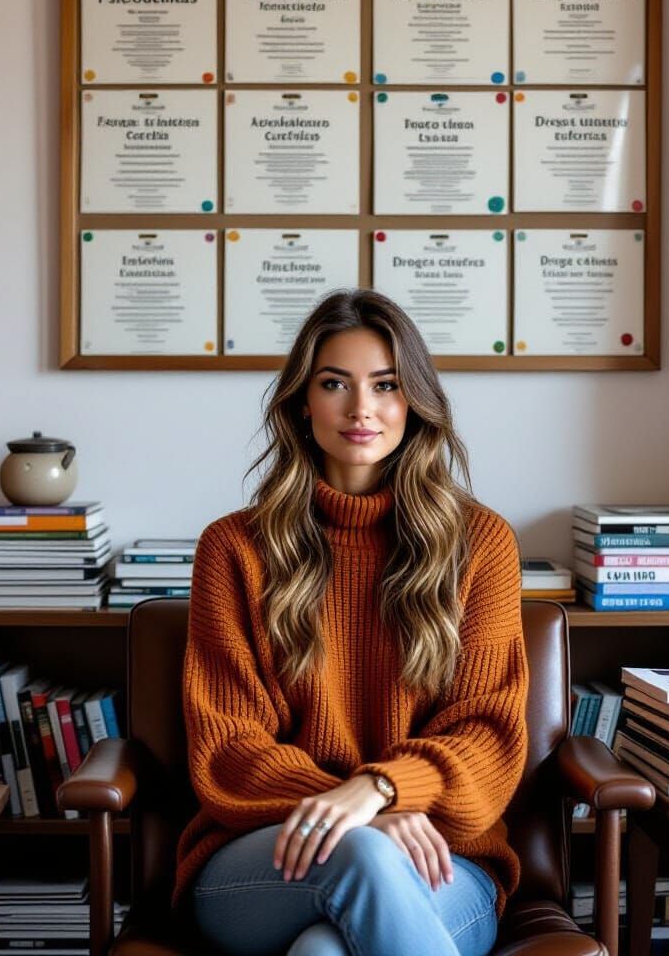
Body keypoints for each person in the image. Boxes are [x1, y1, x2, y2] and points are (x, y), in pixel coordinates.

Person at [174, 290, 529, 956]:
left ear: (414, 403)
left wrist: (382, 792)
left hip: (446, 864)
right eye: (335, 383)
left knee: (320, 953)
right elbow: (228, 748)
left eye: (386, 386)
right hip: (262, 860)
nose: (361, 408)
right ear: (303, 403)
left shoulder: (480, 544)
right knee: (362, 855)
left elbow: (489, 738)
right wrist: (360, 813)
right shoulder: (234, 549)